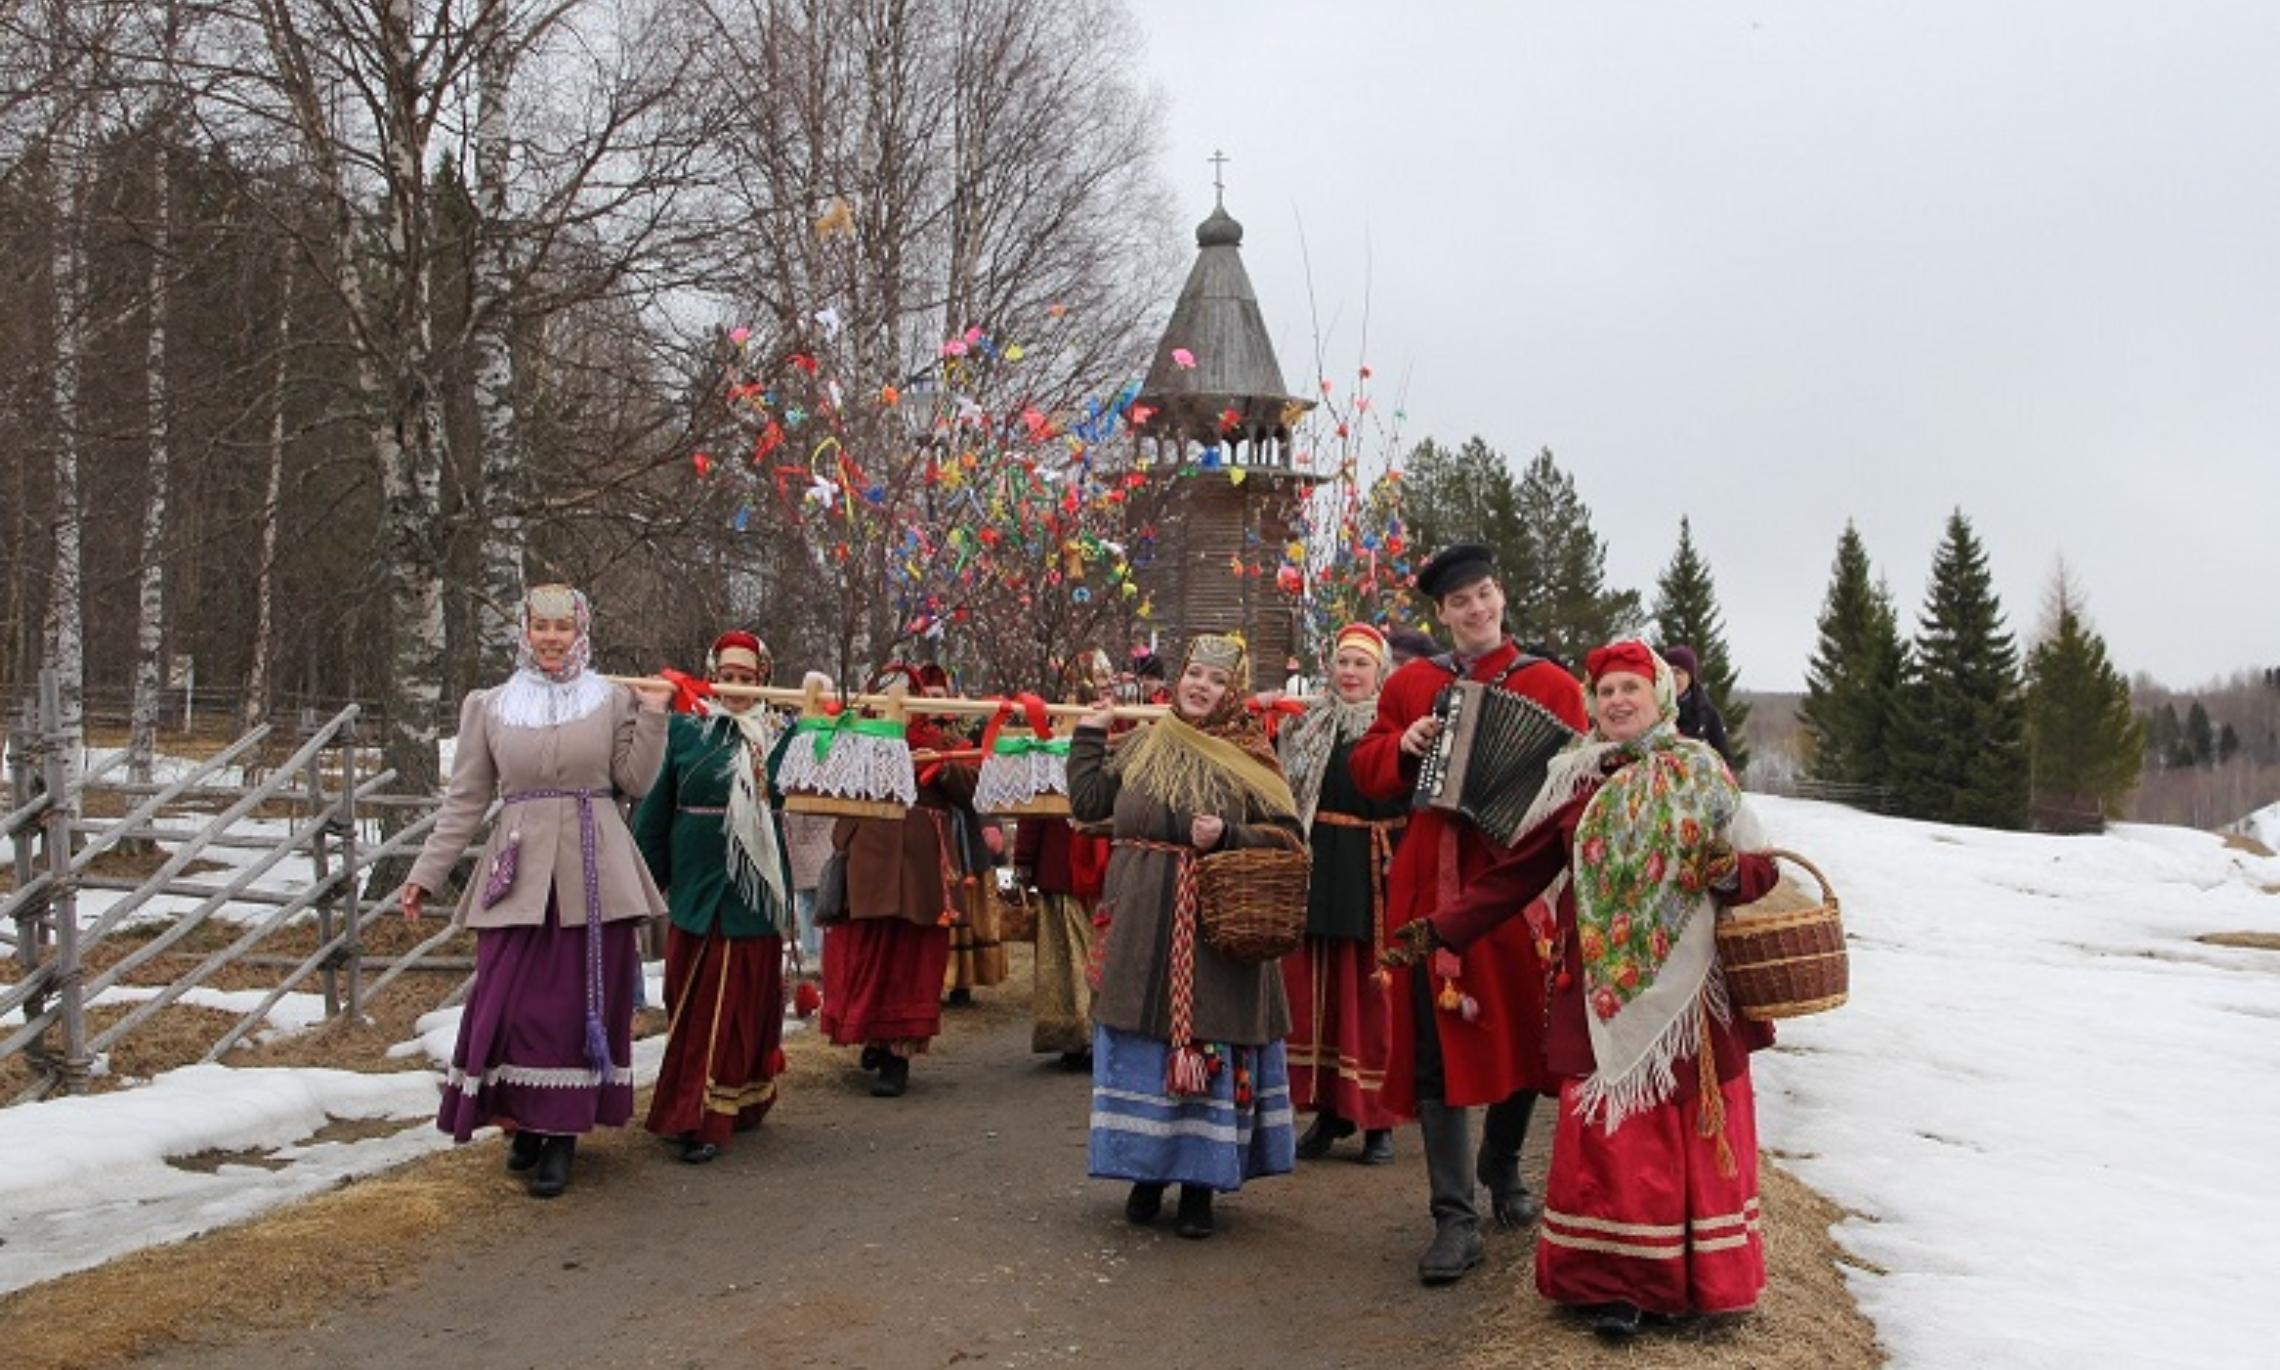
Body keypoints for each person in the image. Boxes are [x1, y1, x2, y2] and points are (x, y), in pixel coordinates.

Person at [1391, 640, 1781, 1338]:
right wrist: (1440, 930)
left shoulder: (1702, 772)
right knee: (1610, 1141)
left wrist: (1728, 874)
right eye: (1606, 692)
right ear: (1593, 705)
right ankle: (1614, 1286)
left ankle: (1695, 1285)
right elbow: (1517, 872)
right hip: (1600, 993)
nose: (1618, 702)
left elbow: (1762, 870)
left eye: (1632, 689)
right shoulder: (1578, 779)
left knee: (1682, 1136)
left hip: (1688, 996)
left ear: (1661, 697)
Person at [1349, 542, 1590, 1284]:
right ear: (1442, 614)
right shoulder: (1414, 681)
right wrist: (1403, 744)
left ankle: (1504, 1166)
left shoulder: (1551, 684)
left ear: (1501, 596)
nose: (1476, 609)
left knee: (1524, 1028)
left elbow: (1576, 777)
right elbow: (1365, 772)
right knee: (1434, 1044)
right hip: (1430, 877)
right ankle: (1453, 1219)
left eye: (1485, 594)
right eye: (1460, 602)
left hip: (1516, 886)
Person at [401, 584, 669, 1198]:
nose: (551, 638)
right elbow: (467, 798)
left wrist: (652, 716)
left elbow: (634, 781)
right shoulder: (491, 706)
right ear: (524, 631)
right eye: (540, 626)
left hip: (594, 870)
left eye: (563, 628)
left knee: (574, 1008)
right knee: (512, 1003)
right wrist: (426, 872)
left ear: (582, 633)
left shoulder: (612, 700)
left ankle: (559, 1135)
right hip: (517, 873)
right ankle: (521, 1114)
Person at [1069, 633, 1303, 1239]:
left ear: (1235, 692)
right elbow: (1090, 801)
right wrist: (1091, 735)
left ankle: (1200, 1185)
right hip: (1142, 920)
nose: (1202, 686)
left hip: (1213, 929)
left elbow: (1287, 839)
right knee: (1145, 1045)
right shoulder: (1147, 742)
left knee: (1209, 1045)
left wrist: (1228, 834)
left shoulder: (1252, 755)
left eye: (1217, 680)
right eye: (1195, 674)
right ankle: (1149, 1172)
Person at [634, 630, 793, 1164]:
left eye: (746, 679)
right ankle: (697, 1104)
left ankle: (707, 1116)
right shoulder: (685, 732)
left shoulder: (779, 735)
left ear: (763, 681)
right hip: (696, 886)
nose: (735, 688)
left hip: (751, 892)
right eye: (726, 677)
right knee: (689, 998)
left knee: (741, 1003)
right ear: (712, 675)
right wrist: (640, 879)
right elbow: (656, 809)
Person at [1278, 623, 1406, 1164]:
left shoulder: (1394, 730)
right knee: (1317, 992)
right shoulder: (1305, 727)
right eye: (1343, 663)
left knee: (1369, 995)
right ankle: (1330, 1110)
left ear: (1380, 673)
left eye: (1362, 665)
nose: (1350, 673)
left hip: (1370, 872)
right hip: (1316, 867)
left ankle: (1379, 1120)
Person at [820, 663, 978, 1097]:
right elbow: (830, 780)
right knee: (866, 950)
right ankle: (871, 1034)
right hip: (867, 862)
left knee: (910, 959)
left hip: (919, 872)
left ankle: (898, 1053)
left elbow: (971, 791)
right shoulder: (858, 736)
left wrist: (939, 762)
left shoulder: (942, 740)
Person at [1660, 644, 1733, 765]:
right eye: (1669, 671)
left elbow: (1724, 758)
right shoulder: (1653, 708)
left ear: (1690, 677)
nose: (1673, 677)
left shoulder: (1706, 713)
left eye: (1679, 672)